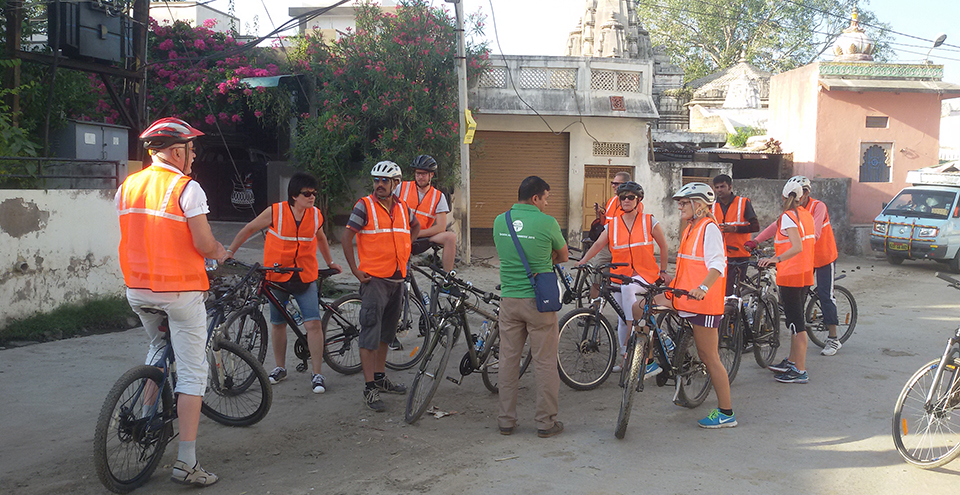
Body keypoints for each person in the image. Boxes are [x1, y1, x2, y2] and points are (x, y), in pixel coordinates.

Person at [116, 117, 225, 486]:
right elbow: (204, 243)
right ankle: (186, 463)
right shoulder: (186, 188)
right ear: (177, 151)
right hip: (179, 291)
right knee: (193, 375)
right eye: (191, 149)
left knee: (157, 346)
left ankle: (146, 418)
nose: (194, 156)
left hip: (137, 289)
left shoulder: (128, 186)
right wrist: (220, 252)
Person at [223, 172, 342, 393]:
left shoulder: (315, 215)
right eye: (307, 193)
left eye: (314, 193)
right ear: (294, 196)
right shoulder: (276, 212)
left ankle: (317, 374)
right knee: (277, 324)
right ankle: (280, 368)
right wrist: (230, 251)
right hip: (277, 276)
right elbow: (249, 228)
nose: (312, 197)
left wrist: (331, 262)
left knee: (313, 324)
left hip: (304, 275)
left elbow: (322, 238)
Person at [649, 182, 735, 428]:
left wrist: (703, 288)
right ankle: (648, 361)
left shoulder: (709, 229)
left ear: (699, 206)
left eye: (685, 202)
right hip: (682, 296)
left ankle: (727, 413)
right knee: (642, 308)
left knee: (710, 357)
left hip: (703, 303)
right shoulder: (690, 228)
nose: (680, 206)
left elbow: (717, 265)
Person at [493, 176, 568, 438]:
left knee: (508, 361)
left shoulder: (499, 221)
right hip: (540, 303)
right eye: (545, 198)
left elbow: (505, 253)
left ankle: (506, 420)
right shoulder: (547, 223)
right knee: (545, 363)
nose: (546, 204)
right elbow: (564, 255)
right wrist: (544, 260)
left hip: (509, 300)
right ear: (535, 198)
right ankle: (545, 423)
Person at [342, 161, 420, 412]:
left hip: (397, 280)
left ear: (396, 184)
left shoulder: (402, 207)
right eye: (376, 180)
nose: (379, 185)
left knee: (386, 335)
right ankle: (369, 388)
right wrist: (355, 270)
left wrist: (407, 246)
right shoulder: (364, 206)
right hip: (375, 281)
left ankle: (380, 377)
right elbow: (347, 237)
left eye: (384, 181)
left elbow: (415, 226)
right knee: (369, 336)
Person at [578, 181, 668, 376]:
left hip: (645, 275)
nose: (626, 200)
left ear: (638, 200)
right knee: (620, 318)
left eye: (631, 197)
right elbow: (598, 245)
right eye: (622, 197)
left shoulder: (649, 221)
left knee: (629, 298)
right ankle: (625, 357)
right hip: (621, 276)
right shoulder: (613, 225)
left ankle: (633, 339)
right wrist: (583, 260)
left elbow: (664, 246)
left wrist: (663, 271)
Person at [746, 176, 841, 356]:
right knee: (797, 306)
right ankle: (797, 347)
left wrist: (783, 252)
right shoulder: (792, 213)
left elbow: (815, 233)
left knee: (824, 294)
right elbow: (777, 226)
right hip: (803, 259)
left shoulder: (817, 207)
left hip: (822, 257)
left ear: (806, 193)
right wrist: (756, 241)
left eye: (804, 191)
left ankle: (833, 338)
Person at [757, 177, 815, 384]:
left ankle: (800, 370)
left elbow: (797, 246)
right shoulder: (805, 215)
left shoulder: (789, 216)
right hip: (805, 273)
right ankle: (793, 361)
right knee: (794, 322)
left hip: (791, 275)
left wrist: (774, 259)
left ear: (783, 196)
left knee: (797, 324)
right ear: (801, 197)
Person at [396, 155, 458, 272]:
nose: (420, 177)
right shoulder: (401, 187)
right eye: (418, 173)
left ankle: (447, 279)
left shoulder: (438, 196)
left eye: (424, 174)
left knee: (450, 237)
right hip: (399, 235)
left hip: (422, 238)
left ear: (431, 175)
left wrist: (417, 233)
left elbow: (441, 227)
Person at [711, 174, 760, 295]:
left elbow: (755, 226)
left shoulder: (743, 203)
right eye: (716, 187)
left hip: (739, 255)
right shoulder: (712, 206)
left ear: (730, 187)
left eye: (722, 186)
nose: (719, 190)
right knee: (719, 290)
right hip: (719, 254)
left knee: (734, 292)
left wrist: (735, 229)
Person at [589, 171, 634, 298]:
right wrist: (599, 214)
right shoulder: (611, 201)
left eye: (616, 183)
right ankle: (593, 311)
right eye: (612, 183)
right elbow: (606, 223)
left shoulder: (633, 203)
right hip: (607, 244)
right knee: (596, 275)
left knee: (623, 282)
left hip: (623, 247)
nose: (613, 186)